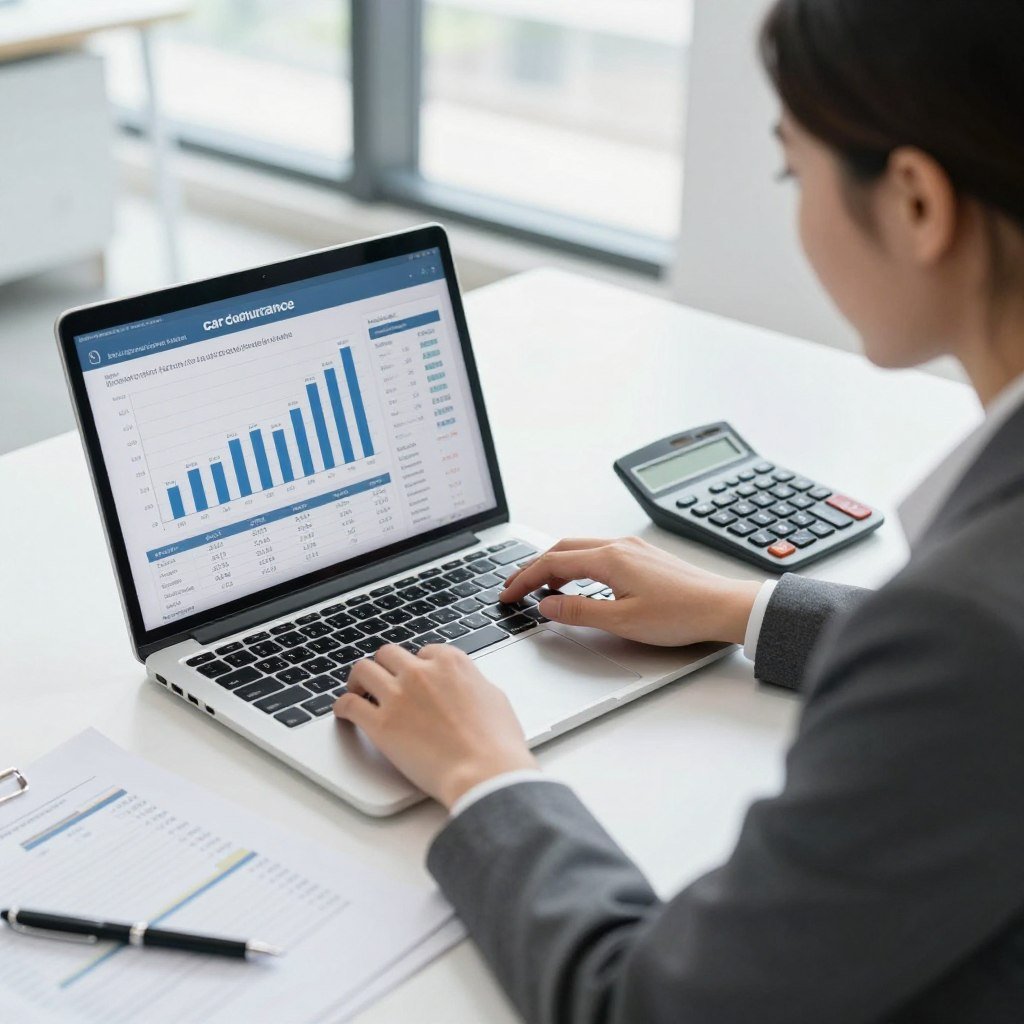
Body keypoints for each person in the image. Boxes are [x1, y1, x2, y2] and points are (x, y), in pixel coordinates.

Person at [334, 0, 1024, 1019]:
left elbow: (654, 1007)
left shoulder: (962, 631)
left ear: (917, 202)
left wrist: (484, 772)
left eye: (795, 171)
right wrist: (735, 607)